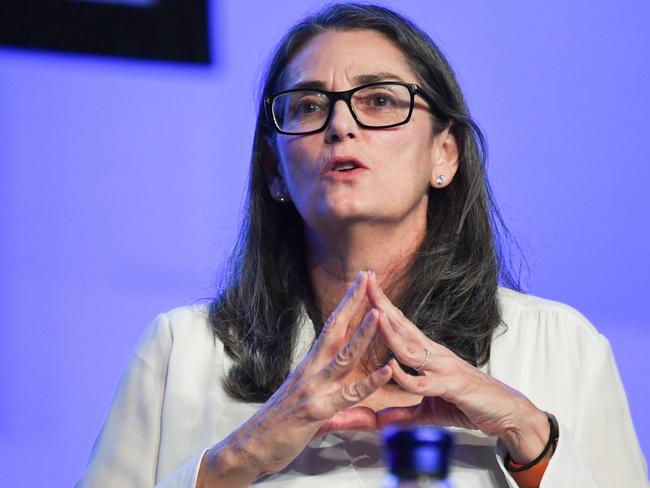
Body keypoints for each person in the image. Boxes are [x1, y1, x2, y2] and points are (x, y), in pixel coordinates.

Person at [76, 3, 648, 487]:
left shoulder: (562, 346)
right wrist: (238, 458)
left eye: (379, 100)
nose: (339, 126)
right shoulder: (181, 349)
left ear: (443, 154)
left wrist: (532, 440)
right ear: (275, 172)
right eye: (306, 106)